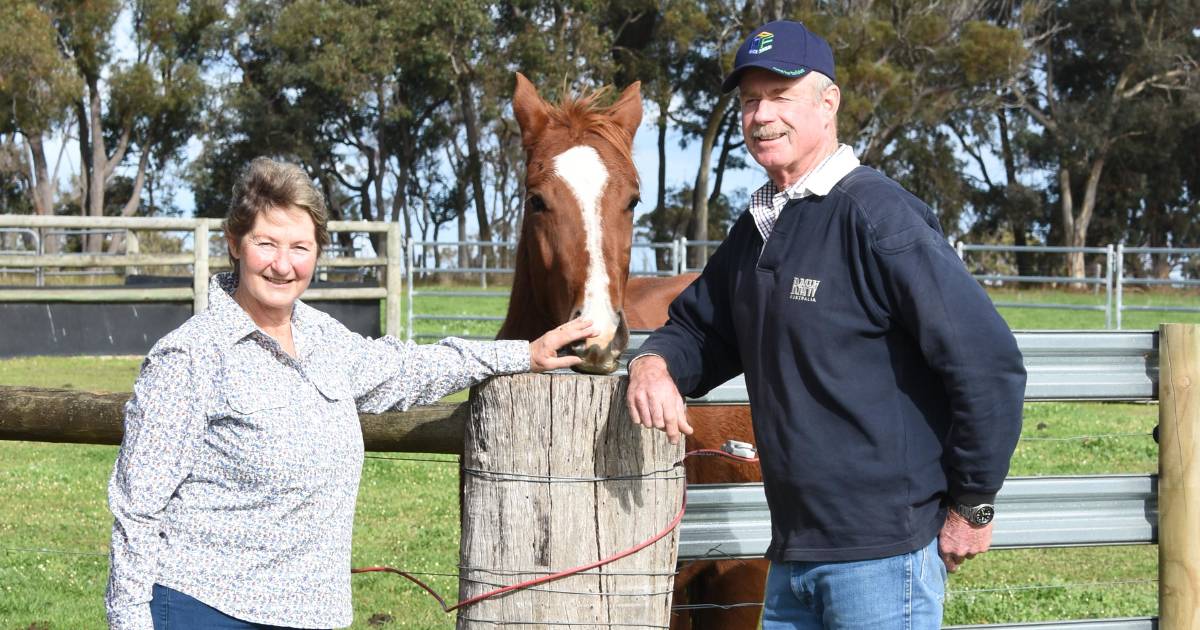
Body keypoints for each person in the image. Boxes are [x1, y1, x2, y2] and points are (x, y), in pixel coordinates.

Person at [626, 20, 1026, 629]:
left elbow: (987, 363)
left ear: (828, 102)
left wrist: (972, 504)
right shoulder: (760, 226)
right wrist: (653, 362)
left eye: (780, 96)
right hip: (793, 558)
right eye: (750, 100)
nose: (762, 115)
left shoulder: (879, 218)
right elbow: (701, 331)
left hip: (883, 557)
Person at [106, 157, 595, 629]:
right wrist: (129, 621)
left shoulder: (324, 340)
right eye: (265, 244)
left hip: (312, 612)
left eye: (300, 247)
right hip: (205, 608)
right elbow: (137, 506)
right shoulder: (189, 356)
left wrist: (522, 355)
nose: (282, 264)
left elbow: (410, 368)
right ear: (235, 244)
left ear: (317, 253)